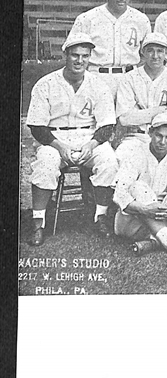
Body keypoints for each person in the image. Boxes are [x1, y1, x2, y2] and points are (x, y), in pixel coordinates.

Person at [26, 33, 118, 245]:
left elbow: (107, 125)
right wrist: (59, 146)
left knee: (109, 161)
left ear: (90, 57)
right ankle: (38, 223)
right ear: (65, 54)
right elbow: (37, 126)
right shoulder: (46, 83)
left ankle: (100, 216)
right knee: (46, 164)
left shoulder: (98, 84)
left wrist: (92, 144)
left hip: (88, 136)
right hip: (55, 138)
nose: (79, 60)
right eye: (75, 55)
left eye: (85, 56)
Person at [113, 113, 167, 257]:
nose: (162, 141)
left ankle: (155, 241)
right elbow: (119, 193)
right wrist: (144, 209)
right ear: (150, 133)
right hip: (134, 223)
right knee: (137, 187)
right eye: (159, 136)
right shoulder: (136, 153)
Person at [68, 0, 151, 97]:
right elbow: (70, 53)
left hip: (129, 79)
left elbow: (146, 55)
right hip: (97, 77)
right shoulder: (87, 19)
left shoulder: (141, 20)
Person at [115, 32, 167, 165]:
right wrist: (159, 111)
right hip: (136, 137)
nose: (155, 56)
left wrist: (140, 115)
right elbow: (125, 119)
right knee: (120, 157)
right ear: (142, 52)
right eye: (150, 51)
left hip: (166, 138)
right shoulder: (129, 78)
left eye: (160, 51)